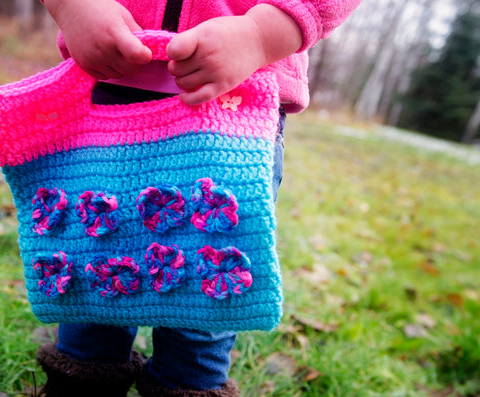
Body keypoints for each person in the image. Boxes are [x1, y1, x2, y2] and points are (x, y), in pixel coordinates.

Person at [35, 0, 362, 396]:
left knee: (205, 299)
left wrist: (261, 34)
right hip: (108, 82)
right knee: (94, 285)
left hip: (235, 98)